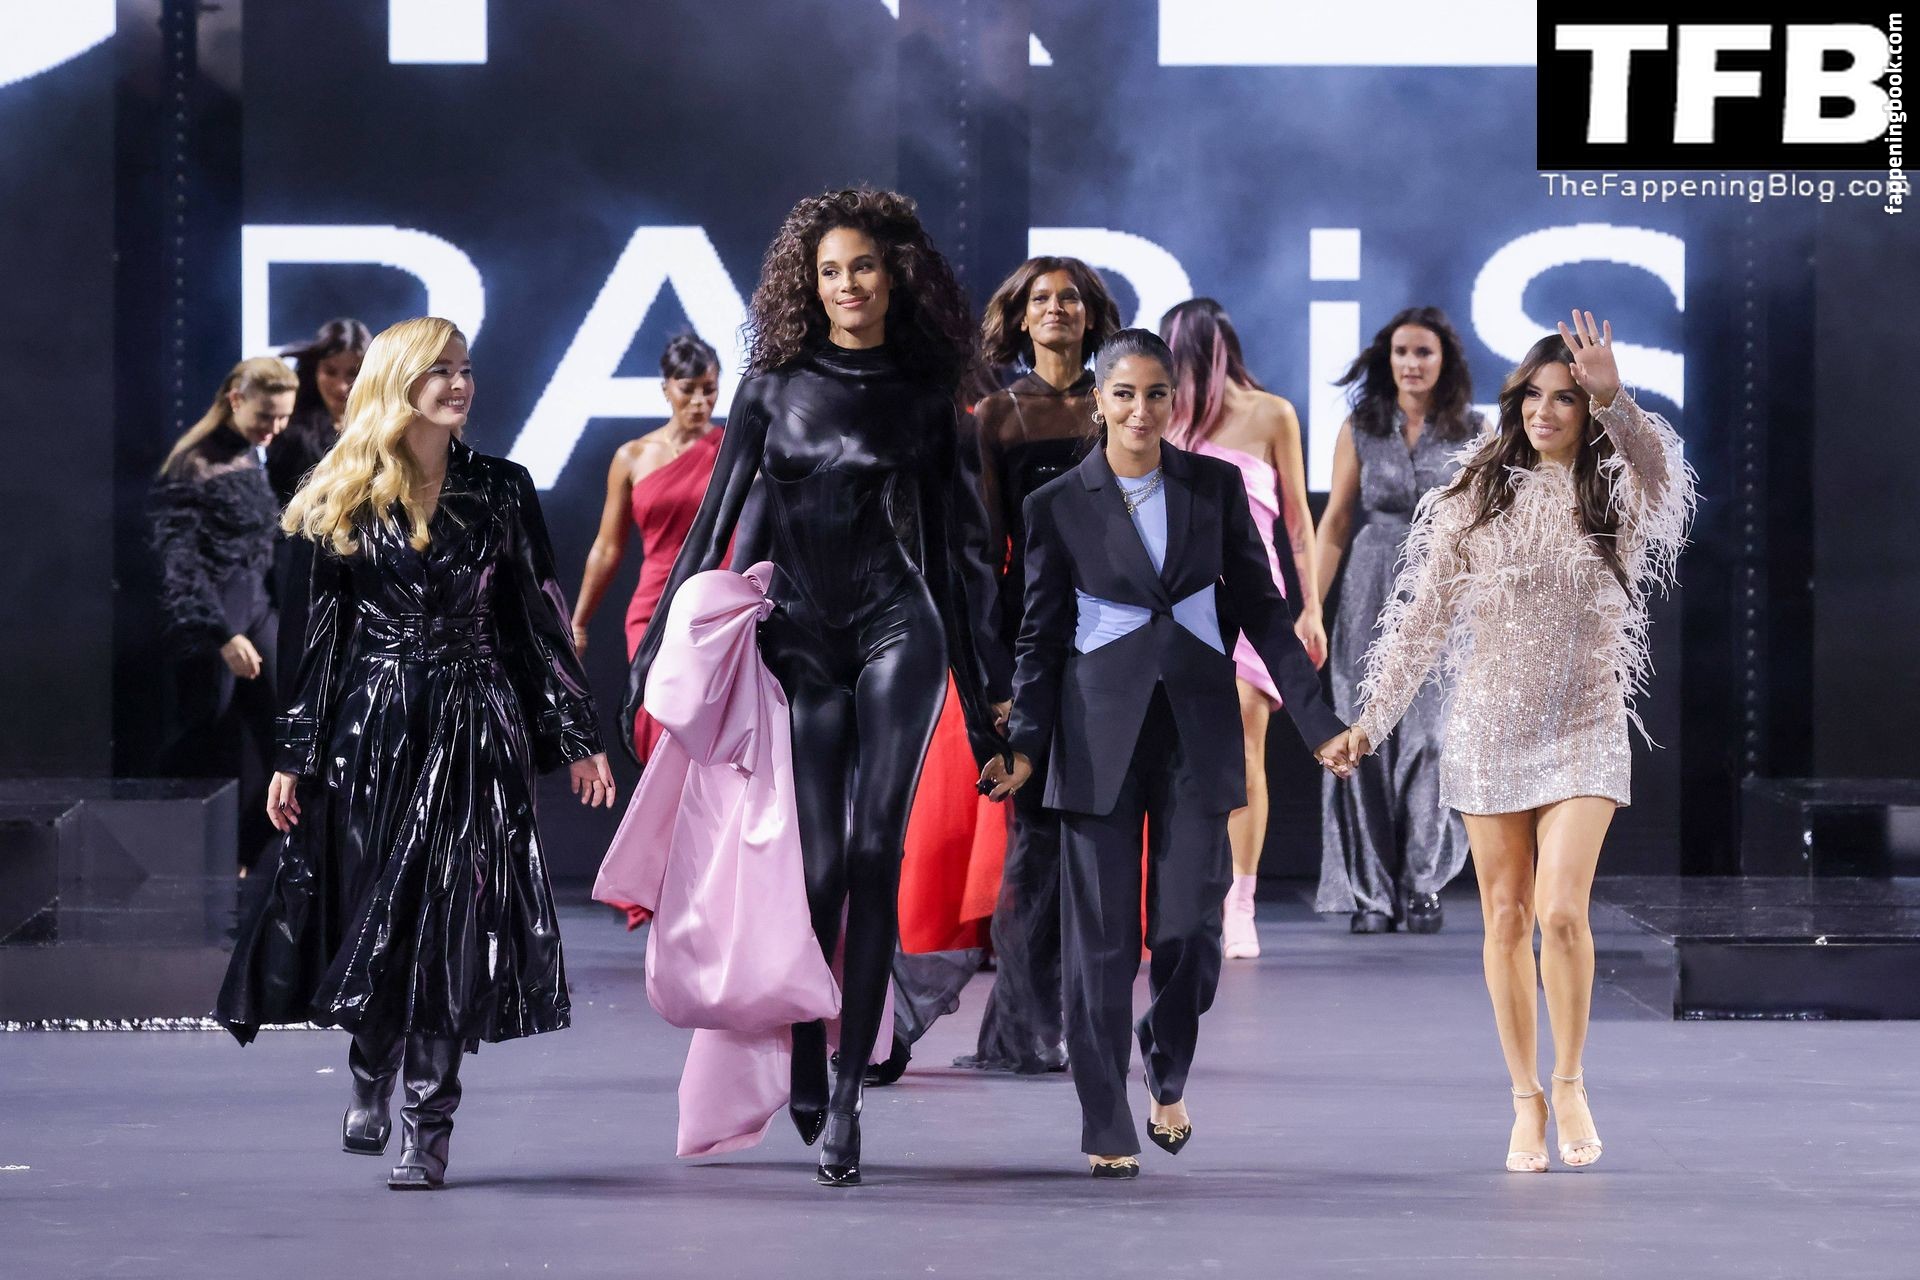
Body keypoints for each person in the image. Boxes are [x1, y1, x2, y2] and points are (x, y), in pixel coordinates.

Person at [623, 188, 1011, 1187]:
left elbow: (956, 559)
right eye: (830, 270)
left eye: (863, 267)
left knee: (876, 851)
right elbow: (712, 532)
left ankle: (846, 1092)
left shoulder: (926, 394)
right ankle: (804, 1041)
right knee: (819, 865)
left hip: (898, 629)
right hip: (796, 637)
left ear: (893, 275)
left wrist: (983, 704)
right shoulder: (770, 387)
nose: (848, 284)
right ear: (810, 281)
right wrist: (654, 651)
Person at [215, 316, 617, 1191]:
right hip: (374, 728)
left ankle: (428, 1127)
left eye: (465, 368)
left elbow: (537, 618)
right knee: (380, 913)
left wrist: (579, 736)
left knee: (450, 922)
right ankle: (371, 1071)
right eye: (439, 370)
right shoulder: (347, 491)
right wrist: (294, 754)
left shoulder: (503, 487)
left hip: (476, 727)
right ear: (399, 380)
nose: (459, 383)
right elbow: (320, 641)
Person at [982, 329, 1353, 1178]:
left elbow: (1264, 610)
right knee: (1102, 946)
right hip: (1093, 735)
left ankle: (1166, 1055)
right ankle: (1106, 1119)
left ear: (1173, 402)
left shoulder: (1213, 487)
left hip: (1196, 728)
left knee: (1189, 931)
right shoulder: (1057, 504)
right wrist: (1025, 745)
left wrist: (1317, 722)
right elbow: (1040, 638)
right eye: (1124, 394)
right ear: (1098, 401)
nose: (1140, 411)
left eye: (1156, 394)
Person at [1343, 311, 1694, 1173]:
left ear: (1584, 408)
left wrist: (1616, 400)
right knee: (1505, 916)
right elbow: (1420, 623)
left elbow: (1663, 480)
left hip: (1585, 723)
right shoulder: (1472, 496)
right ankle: (1525, 1099)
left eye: (1564, 398)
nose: (1544, 411)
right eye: (1532, 396)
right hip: (1490, 725)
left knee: (1562, 912)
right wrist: (1370, 722)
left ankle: (1570, 1081)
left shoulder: (1615, 492)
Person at [942, 254, 1120, 1072]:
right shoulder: (997, 415)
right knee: (1036, 840)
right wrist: (996, 677)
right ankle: (1023, 1030)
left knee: (1103, 839)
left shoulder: (1121, 401)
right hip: (1035, 641)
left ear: (1091, 315)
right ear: (1020, 317)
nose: (1056, 309)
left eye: (1070, 298)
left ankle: (1084, 1025)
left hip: (1119, 637)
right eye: (1041, 299)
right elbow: (979, 553)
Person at [1158, 298, 1323, 959]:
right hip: (1175, 604)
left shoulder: (1272, 414)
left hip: (1251, 602)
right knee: (1177, 757)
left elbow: (1298, 521)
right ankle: (1183, 898)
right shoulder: (1160, 414)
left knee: (1247, 752)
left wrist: (1312, 608)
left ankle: (1241, 905)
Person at [1312, 307, 1476, 933]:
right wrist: (1311, 607)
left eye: (1424, 352)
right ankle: (1372, 895)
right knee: (1360, 738)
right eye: (1402, 351)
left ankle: (1422, 883)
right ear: (1388, 359)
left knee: (1433, 739)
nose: (1412, 363)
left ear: (1444, 361)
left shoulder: (1475, 430)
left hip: (1444, 589)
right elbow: (1335, 523)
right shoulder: (1362, 425)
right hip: (1368, 587)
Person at [150, 357, 298, 873]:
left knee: (294, 738)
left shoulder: (251, 454)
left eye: (283, 417)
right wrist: (221, 634)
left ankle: (247, 855)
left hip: (256, 609)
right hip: (214, 621)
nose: (274, 428)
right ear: (236, 400)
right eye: (266, 416)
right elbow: (180, 563)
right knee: (203, 739)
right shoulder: (192, 463)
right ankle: (172, 856)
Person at [268, 318, 371, 683]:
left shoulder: (382, 429)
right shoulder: (291, 432)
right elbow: (278, 509)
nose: (342, 385)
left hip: (368, 565)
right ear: (315, 370)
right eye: (331, 371)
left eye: (353, 373)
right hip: (305, 564)